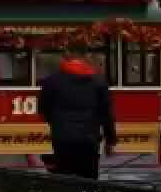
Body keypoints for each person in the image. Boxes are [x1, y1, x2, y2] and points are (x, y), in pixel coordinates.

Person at [38, 44, 118, 180]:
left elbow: (43, 110)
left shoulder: (51, 82)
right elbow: (106, 114)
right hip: (89, 141)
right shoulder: (99, 82)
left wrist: (57, 123)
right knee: (88, 182)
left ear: (67, 54)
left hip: (62, 139)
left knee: (65, 182)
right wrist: (110, 140)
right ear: (86, 56)